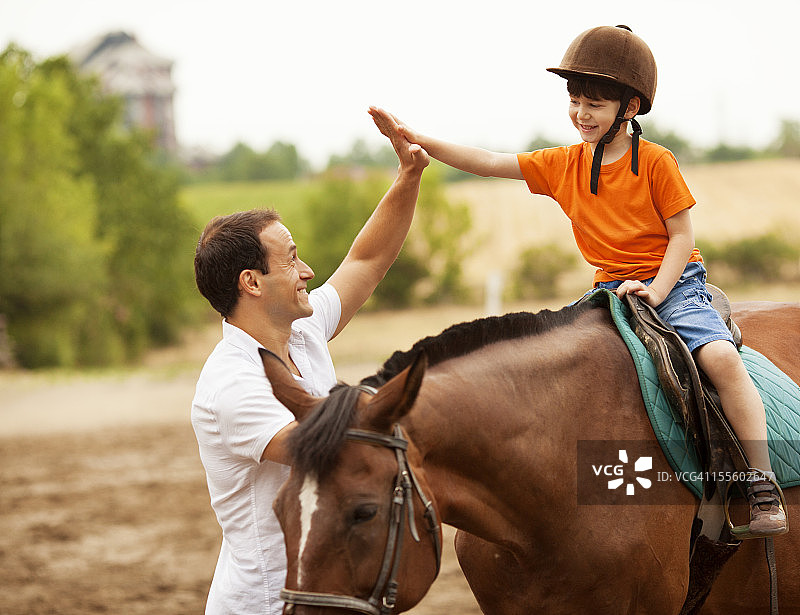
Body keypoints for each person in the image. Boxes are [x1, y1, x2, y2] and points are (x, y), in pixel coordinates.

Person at [370, 25, 787, 536]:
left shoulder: (656, 162)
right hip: (606, 290)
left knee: (720, 357)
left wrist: (656, 290)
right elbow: (487, 161)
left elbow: (681, 238)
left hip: (672, 283)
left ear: (629, 108)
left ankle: (762, 480)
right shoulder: (564, 163)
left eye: (594, 104)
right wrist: (414, 138)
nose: (580, 114)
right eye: (574, 100)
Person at [191, 107, 430, 615]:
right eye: (291, 259)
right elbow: (327, 449)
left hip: (325, 589)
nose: (307, 271)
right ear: (251, 283)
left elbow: (366, 260)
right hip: (266, 603)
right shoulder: (230, 385)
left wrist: (409, 176)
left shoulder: (299, 330)